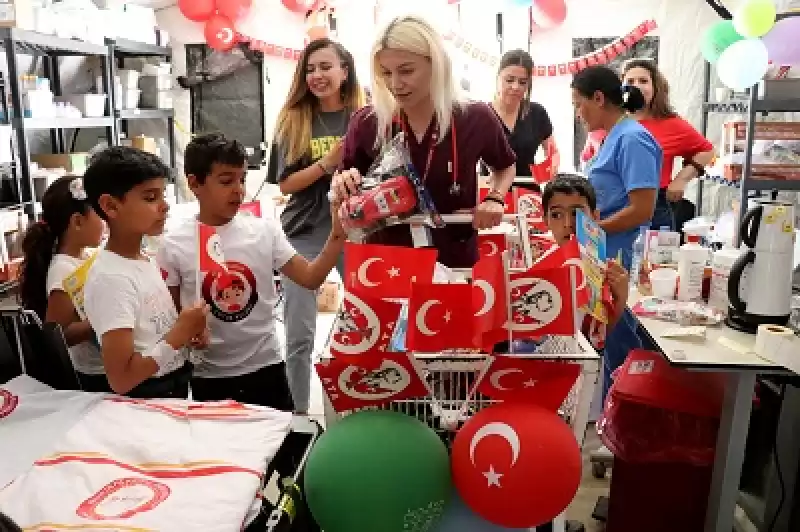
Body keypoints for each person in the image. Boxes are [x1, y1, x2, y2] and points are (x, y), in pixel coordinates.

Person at [158, 133, 346, 411]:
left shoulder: (263, 230)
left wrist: (338, 233)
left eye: (242, 179)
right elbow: (172, 316)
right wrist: (188, 333)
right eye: (226, 181)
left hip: (266, 368)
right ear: (194, 183)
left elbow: (310, 277)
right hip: (208, 376)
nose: (239, 189)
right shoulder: (174, 244)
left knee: (280, 449)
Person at [330, 15, 517, 268]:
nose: (395, 84)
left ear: (436, 64)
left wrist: (495, 198)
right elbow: (347, 185)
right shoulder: (368, 123)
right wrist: (344, 182)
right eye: (386, 73)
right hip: (385, 265)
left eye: (406, 70)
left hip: (453, 261)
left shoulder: (475, 117)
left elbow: (505, 165)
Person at [269, 38, 363, 413]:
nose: (317, 75)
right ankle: (298, 419)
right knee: (299, 335)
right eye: (310, 69)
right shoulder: (294, 119)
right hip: (305, 232)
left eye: (325, 67)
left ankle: (360, 408)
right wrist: (329, 163)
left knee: (367, 324)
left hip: (357, 232)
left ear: (344, 71)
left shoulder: (365, 116)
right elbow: (286, 183)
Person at [82, 147, 209, 398]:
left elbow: (153, 336)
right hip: (146, 399)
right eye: (150, 198)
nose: (164, 207)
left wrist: (187, 334)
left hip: (173, 387)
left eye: (163, 196)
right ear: (111, 206)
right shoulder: (112, 278)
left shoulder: (142, 259)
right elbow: (121, 379)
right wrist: (178, 334)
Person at [570, 65, 661, 411]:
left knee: (621, 342)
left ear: (598, 98)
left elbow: (642, 209)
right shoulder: (613, 137)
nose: (579, 114)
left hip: (619, 256)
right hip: (606, 254)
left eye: (580, 104)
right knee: (610, 339)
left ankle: (624, 418)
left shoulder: (633, 138)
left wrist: (593, 230)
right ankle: (613, 414)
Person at [18, 176, 107, 391]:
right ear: (77, 221)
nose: (106, 221)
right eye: (99, 213)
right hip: (94, 374)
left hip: (108, 363)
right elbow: (59, 334)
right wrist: (102, 320)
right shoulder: (63, 270)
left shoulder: (87, 256)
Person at [622, 59, 714, 230]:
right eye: (630, 81)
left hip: (654, 208)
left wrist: (681, 179)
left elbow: (706, 150)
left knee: (656, 256)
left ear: (655, 87)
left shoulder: (670, 123)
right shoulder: (614, 121)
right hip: (616, 204)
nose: (636, 86)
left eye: (643, 81)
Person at [542, 174, 629, 347]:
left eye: (577, 213)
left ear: (595, 217)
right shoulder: (542, 267)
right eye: (557, 214)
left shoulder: (604, 269)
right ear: (546, 220)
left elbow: (598, 336)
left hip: (585, 366)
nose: (568, 223)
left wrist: (620, 299)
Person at [490, 49, 559, 188]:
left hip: (527, 190)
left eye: (522, 82)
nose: (515, 87)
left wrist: (545, 172)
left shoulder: (537, 113)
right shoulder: (483, 113)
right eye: (509, 80)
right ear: (498, 77)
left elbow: (553, 153)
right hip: (491, 190)